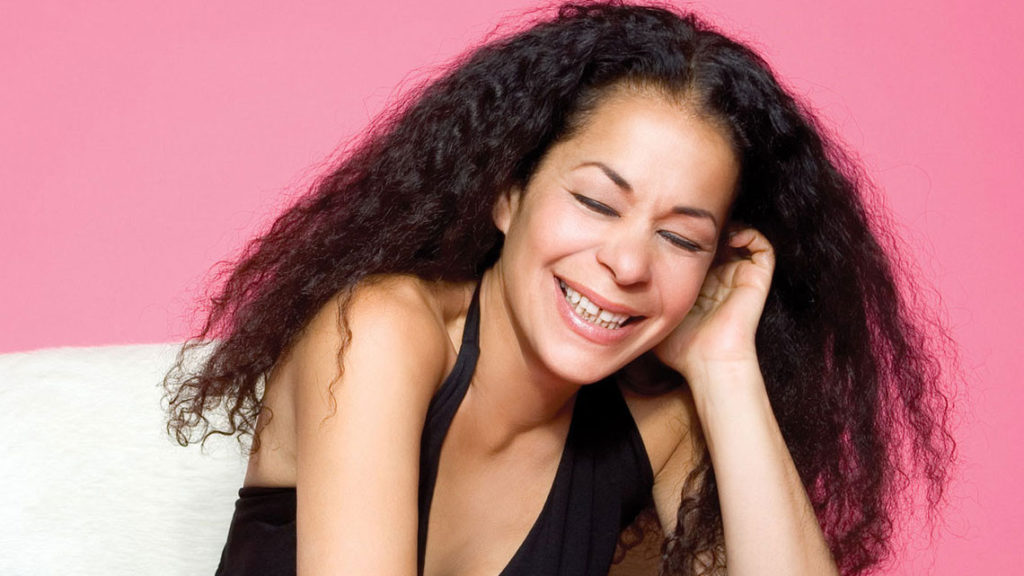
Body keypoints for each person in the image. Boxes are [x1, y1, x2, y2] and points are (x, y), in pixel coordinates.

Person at [163, 2, 955, 575]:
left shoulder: (658, 430)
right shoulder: (380, 332)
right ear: (506, 194)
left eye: (680, 237)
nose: (629, 263)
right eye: (597, 202)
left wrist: (725, 370)